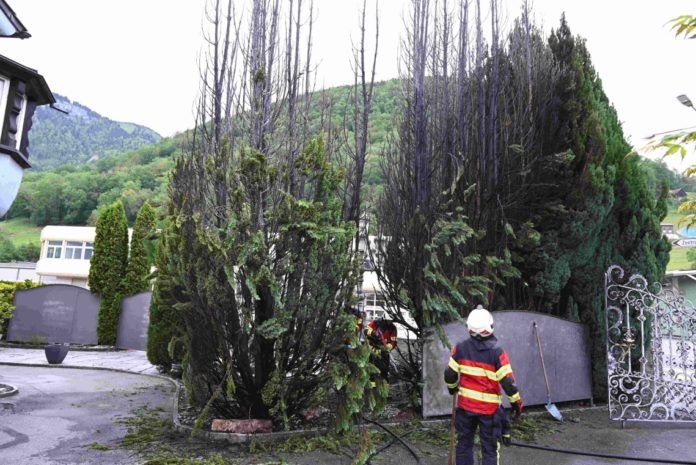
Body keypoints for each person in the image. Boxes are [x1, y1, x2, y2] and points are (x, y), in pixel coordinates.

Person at [444, 306, 522, 465]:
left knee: (464, 445)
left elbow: (449, 374)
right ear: (490, 326)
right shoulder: (497, 353)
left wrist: (452, 388)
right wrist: (516, 404)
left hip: (465, 408)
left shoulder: (460, 348)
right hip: (489, 412)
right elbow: (508, 383)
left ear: (469, 328)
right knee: (490, 449)